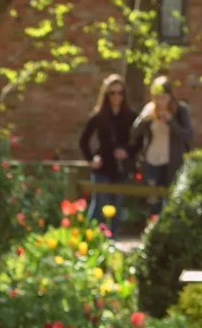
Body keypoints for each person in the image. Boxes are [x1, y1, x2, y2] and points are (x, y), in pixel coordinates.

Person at [79, 73, 136, 233]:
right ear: (106, 95)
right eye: (112, 93)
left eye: (120, 93)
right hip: (103, 167)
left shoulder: (131, 116)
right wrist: (92, 158)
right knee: (98, 206)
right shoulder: (99, 116)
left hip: (120, 168)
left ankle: (113, 240)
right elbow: (83, 140)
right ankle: (90, 238)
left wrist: (127, 152)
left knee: (117, 207)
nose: (116, 96)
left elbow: (138, 142)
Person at [131, 76, 194, 214]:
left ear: (170, 97)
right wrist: (144, 119)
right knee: (153, 199)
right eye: (157, 97)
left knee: (170, 198)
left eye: (163, 97)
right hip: (152, 160)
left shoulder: (180, 110)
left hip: (172, 161)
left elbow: (187, 135)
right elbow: (134, 133)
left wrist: (171, 121)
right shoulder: (150, 109)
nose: (160, 101)